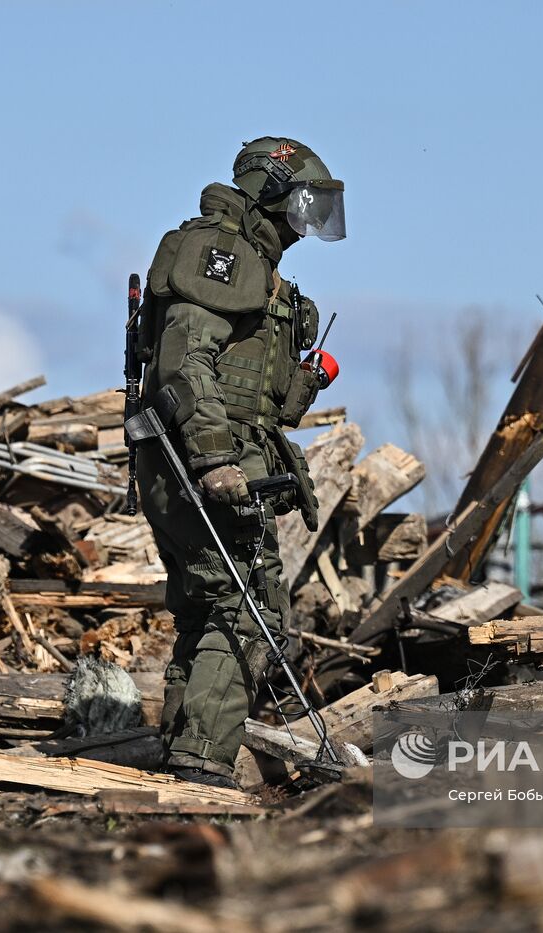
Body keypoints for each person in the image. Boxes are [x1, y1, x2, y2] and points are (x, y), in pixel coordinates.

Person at [134, 137, 345, 788]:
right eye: (302, 205)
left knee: (214, 609)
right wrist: (215, 459)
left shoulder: (261, 268)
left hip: (223, 463)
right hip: (199, 464)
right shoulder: (220, 253)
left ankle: (182, 759)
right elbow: (184, 363)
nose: (307, 223)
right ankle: (201, 771)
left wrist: (307, 378)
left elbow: (267, 399)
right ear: (271, 194)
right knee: (242, 610)